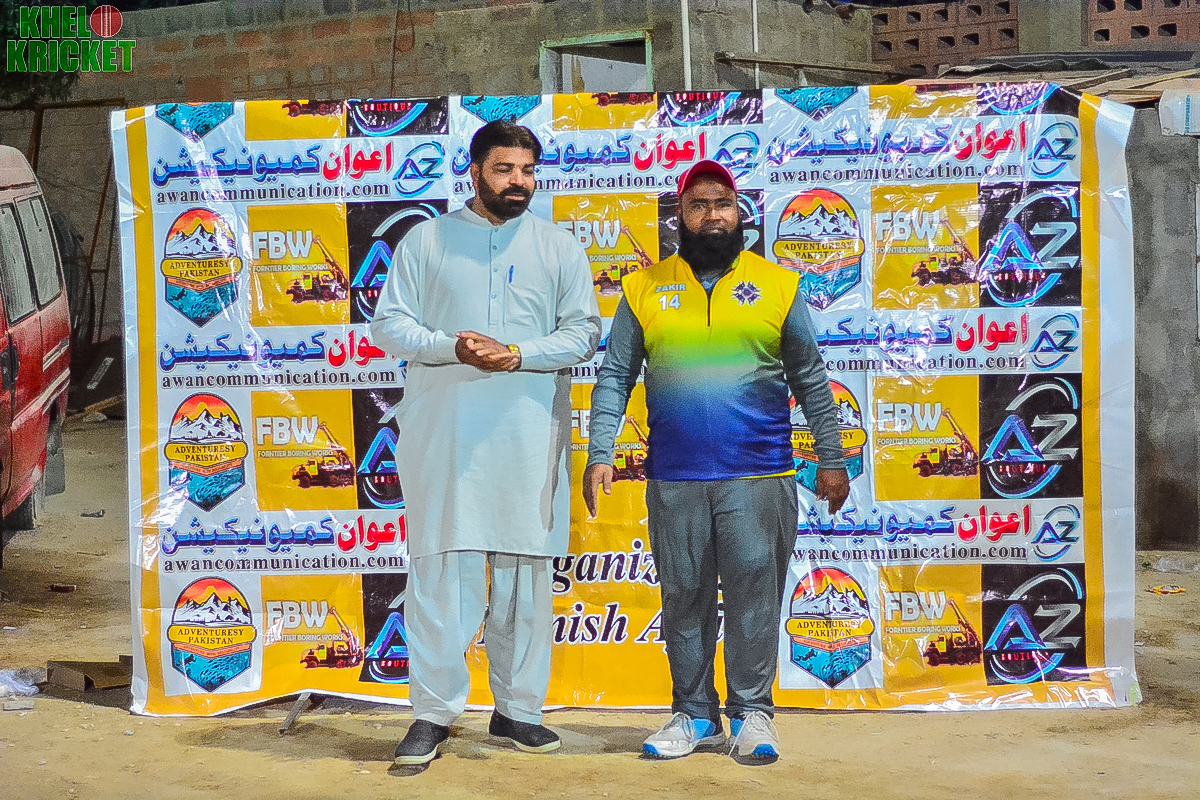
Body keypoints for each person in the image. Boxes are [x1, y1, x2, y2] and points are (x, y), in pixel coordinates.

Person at [582, 160, 849, 765]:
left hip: (760, 475)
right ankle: (695, 715)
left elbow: (810, 379)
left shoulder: (779, 285)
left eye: (722, 203)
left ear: (739, 212)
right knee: (683, 596)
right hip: (674, 476)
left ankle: (752, 714)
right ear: (680, 216)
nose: (712, 215)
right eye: (698, 205)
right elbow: (615, 376)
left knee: (756, 594)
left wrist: (832, 458)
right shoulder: (642, 288)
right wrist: (600, 452)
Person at [371, 120, 601, 766]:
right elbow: (389, 324)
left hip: (529, 434)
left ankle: (518, 711)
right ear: (474, 172)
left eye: (527, 171)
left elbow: (584, 332)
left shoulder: (558, 247)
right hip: (447, 435)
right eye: (504, 170)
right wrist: (454, 346)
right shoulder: (428, 241)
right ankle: (433, 714)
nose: (517, 182)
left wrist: (519, 354)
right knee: (445, 574)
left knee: (526, 578)